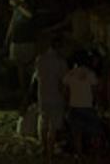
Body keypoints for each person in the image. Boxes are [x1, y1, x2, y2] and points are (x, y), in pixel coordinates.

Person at [34, 35, 68, 164]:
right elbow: (63, 82)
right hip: (56, 97)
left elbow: (37, 78)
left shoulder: (40, 59)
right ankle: (50, 152)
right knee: (53, 128)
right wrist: (65, 96)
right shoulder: (61, 62)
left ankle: (43, 148)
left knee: (43, 123)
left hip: (42, 95)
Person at [64, 54, 100, 159]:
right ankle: (96, 154)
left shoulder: (70, 74)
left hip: (74, 106)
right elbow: (95, 91)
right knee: (94, 133)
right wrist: (97, 103)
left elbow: (65, 90)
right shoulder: (90, 73)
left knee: (77, 134)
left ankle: (79, 155)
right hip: (88, 106)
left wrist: (67, 103)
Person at [5, 0, 36, 94]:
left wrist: (17, 4)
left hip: (27, 39)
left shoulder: (28, 1)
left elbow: (30, 14)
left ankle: (31, 90)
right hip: (16, 39)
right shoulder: (17, 4)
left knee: (29, 66)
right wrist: (7, 37)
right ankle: (24, 91)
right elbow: (13, 21)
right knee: (20, 67)